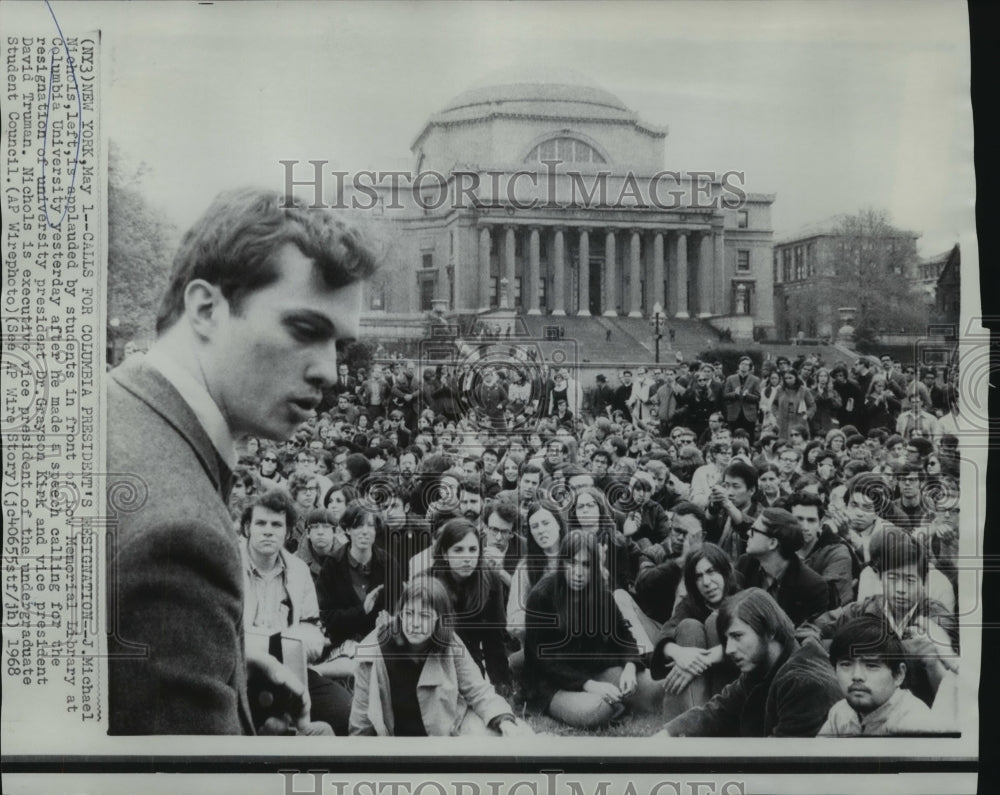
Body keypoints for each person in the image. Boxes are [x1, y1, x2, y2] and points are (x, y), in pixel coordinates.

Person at [107, 186, 376, 734]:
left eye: (340, 348)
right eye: (305, 329)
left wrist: (221, 667)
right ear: (206, 308)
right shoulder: (180, 535)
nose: (329, 372)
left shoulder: (114, 413)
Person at [349, 576, 532, 737]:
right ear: (400, 613)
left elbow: (478, 689)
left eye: (425, 616)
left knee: (507, 734)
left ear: (440, 619)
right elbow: (361, 719)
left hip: (446, 732)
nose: (414, 624)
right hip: (396, 740)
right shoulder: (375, 650)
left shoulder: (450, 643)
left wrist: (503, 720)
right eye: (409, 614)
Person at [521, 531, 664, 728]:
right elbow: (544, 660)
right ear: (562, 562)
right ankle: (613, 704)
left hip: (595, 669)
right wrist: (589, 685)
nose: (578, 572)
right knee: (596, 710)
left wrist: (630, 666)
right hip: (552, 682)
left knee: (654, 689)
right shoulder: (542, 596)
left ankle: (619, 701)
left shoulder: (601, 594)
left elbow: (624, 635)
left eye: (586, 565)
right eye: (572, 562)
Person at [655, 588, 842, 737]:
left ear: (770, 631)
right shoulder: (766, 666)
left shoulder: (805, 684)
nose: (728, 649)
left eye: (737, 636)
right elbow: (719, 712)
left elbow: (780, 764)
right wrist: (668, 733)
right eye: (727, 639)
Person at [239, 490, 350, 735]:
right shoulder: (230, 565)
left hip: (291, 666)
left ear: (288, 532)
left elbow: (311, 629)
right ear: (247, 528)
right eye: (260, 523)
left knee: (344, 713)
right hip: (242, 669)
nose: (268, 531)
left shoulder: (299, 570)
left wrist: (299, 641)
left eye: (276, 525)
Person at [650, 543, 743, 720]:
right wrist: (680, 654)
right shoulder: (691, 605)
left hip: (733, 688)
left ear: (726, 571)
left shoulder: (744, 599)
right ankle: (696, 720)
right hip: (698, 690)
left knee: (715, 621)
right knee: (688, 626)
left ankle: (715, 719)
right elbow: (665, 632)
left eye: (711, 571)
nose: (706, 582)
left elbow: (757, 642)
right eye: (699, 577)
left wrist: (713, 655)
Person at [818, 616, 944, 736]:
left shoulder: (916, 723)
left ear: (899, 674)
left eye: (872, 665)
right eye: (846, 664)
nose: (856, 676)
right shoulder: (840, 712)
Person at [430, 519, 512, 692]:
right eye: (458, 550)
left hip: (472, 666)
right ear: (445, 554)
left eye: (473, 550)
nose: (467, 557)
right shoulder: (428, 583)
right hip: (434, 662)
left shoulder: (490, 581)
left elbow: (494, 641)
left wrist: (502, 687)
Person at [736, 508, 831, 626]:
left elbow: (806, 635)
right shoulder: (745, 564)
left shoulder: (812, 587)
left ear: (772, 543)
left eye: (754, 530)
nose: (748, 533)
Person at [722, 356, 761, 442]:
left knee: (749, 436)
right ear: (738, 365)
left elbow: (758, 397)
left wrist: (747, 395)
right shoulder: (730, 378)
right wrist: (734, 394)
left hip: (749, 414)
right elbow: (725, 395)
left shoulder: (755, 380)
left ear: (750, 367)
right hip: (734, 413)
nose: (744, 366)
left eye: (746, 364)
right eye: (742, 364)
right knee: (733, 436)